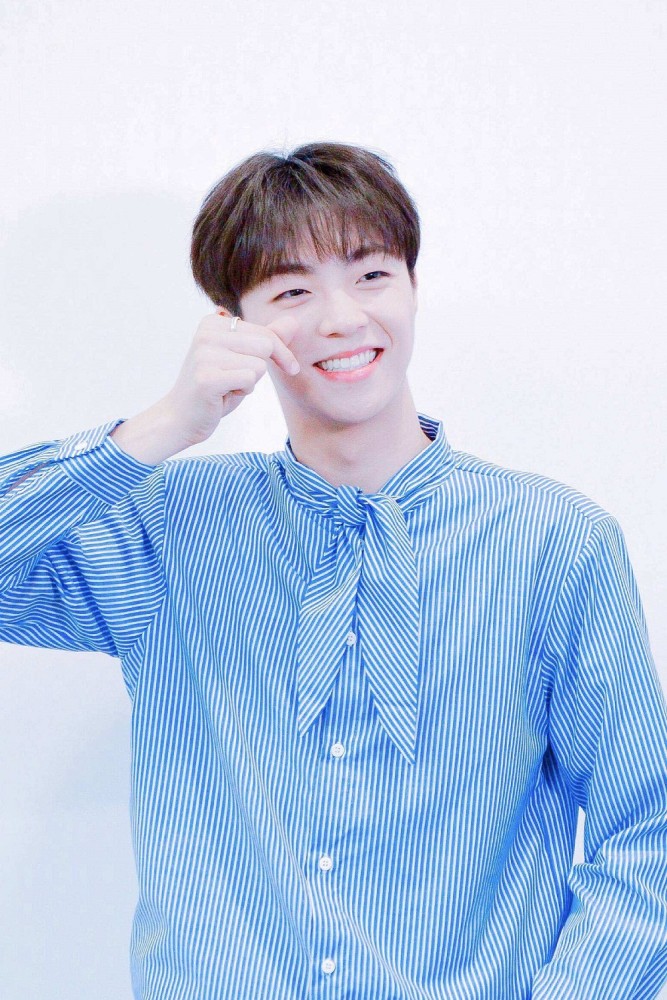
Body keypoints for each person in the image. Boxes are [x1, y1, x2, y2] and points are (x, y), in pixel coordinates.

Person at [1, 141, 666, 1000]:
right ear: (232, 324)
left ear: (413, 287)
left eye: (371, 275)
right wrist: (164, 425)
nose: (342, 318)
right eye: (291, 292)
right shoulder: (167, 527)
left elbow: (645, 829)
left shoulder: (553, 544)